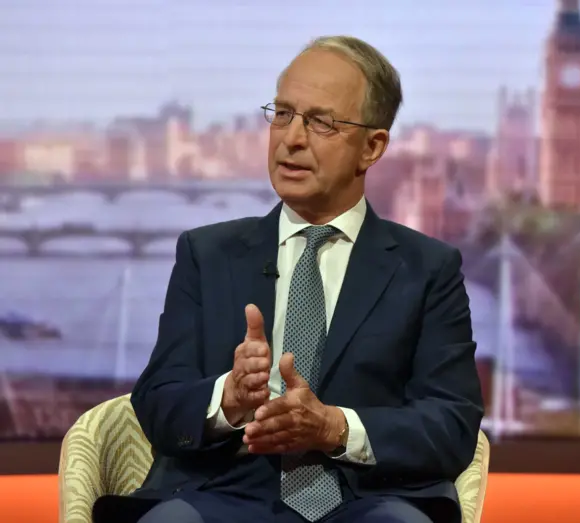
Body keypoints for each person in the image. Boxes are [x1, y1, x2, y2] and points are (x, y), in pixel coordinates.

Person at [92, 35, 484, 523]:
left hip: (369, 500)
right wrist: (228, 399)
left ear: (372, 147)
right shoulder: (207, 254)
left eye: (321, 121)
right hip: (219, 493)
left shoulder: (428, 269)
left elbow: (451, 424)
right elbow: (158, 402)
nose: (292, 138)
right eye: (282, 114)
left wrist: (334, 428)